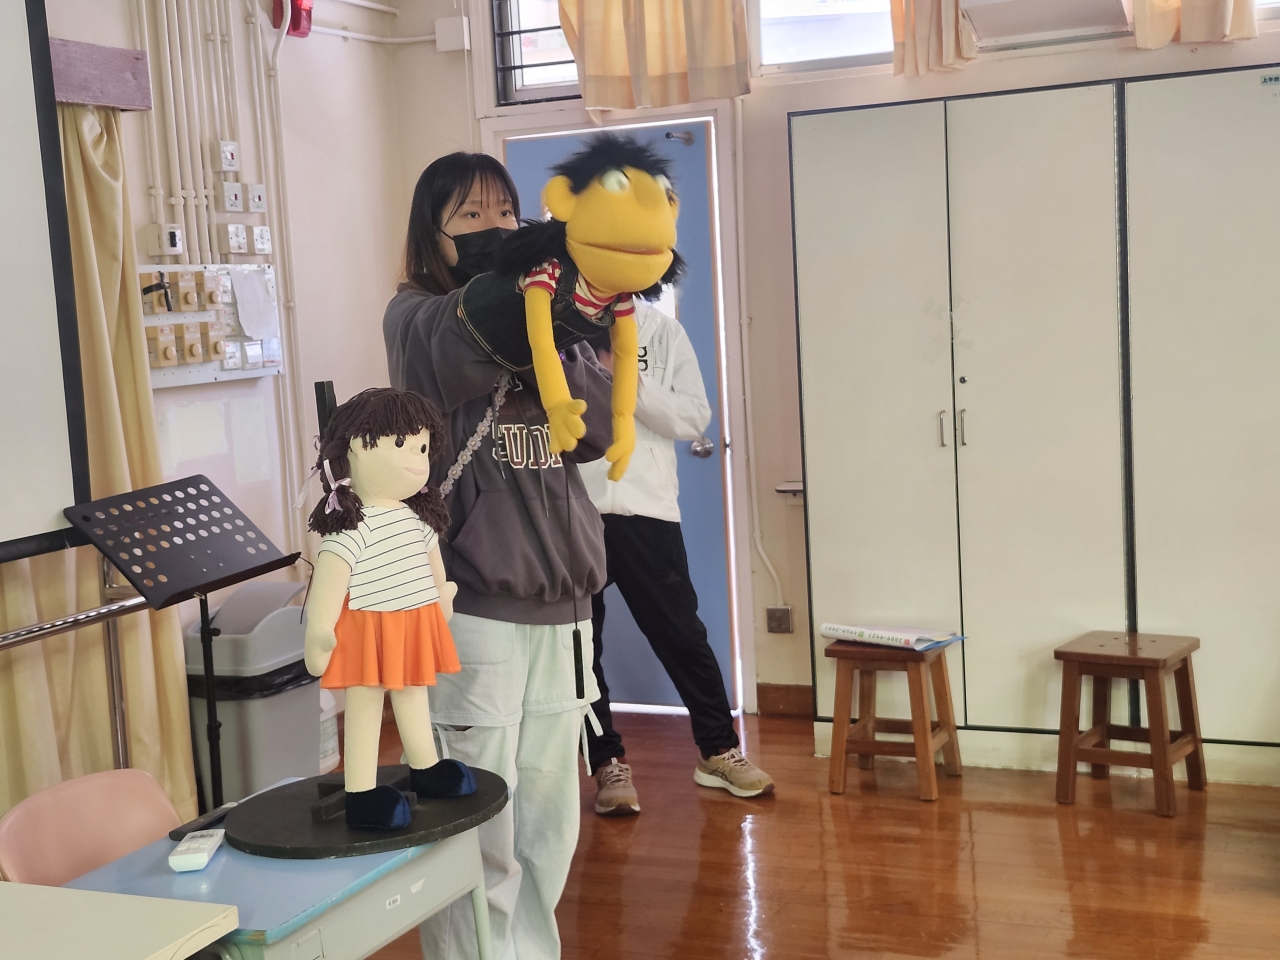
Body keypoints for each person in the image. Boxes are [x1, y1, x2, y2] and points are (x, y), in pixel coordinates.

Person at [384, 152, 609, 960]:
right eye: (471, 216)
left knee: (549, 824)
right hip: (472, 605)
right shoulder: (412, 318)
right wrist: (527, 295)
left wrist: (563, 320)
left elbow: (600, 427)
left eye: (506, 213)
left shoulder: (552, 321)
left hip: (564, 604)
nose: (495, 226)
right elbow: (462, 338)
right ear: (431, 235)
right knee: (478, 824)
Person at [580, 302, 774, 816]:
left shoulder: (662, 332)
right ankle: (605, 762)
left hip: (649, 509)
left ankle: (718, 751)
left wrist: (625, 379)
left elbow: (693, 417)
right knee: (579, 647)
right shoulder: (559, 320)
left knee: (683, 637)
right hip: (576, 509)